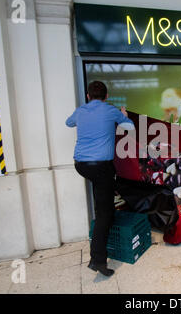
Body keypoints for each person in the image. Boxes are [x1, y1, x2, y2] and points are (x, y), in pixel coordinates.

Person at [66, 81, 134, 276]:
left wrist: (84, 115)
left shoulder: (80, 110)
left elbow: (68, 122)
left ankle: (105, 218)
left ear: (88, 95)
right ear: (106, 96)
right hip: (101, 167)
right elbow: (128, 127)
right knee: (104, 213)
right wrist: (125, 116)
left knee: (103, 200)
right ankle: (97, 260)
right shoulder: (111, 110)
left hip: (81, 165)